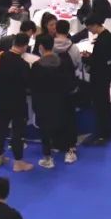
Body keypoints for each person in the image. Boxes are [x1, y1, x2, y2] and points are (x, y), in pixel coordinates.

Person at [31, 34, 74, 169]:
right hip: (61, 100)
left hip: (43, 102)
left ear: (40, 47)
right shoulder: (63, 62)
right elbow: (70, 82)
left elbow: (33, 86)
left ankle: (47, 158)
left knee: (44, 129)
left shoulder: (36, 66)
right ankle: (69, 152)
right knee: (65, 125)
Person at [0, 33, 34, 173]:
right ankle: (18, 162)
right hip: (18, 101)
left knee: (1, 127)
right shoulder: (23, 64)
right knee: (17, 131)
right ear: (25, 46)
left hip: (3, 99)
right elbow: (28, 84)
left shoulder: (2, 57)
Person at [81, 16, 111, 146]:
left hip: (100, 78)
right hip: (106, 76)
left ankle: (103, 134)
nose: (90, 31)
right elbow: (102, 58)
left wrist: (85, 58)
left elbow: (98, 62)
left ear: (95, 25)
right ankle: (105, 132)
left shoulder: (102, 41)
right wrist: (91, 56)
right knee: (105, 104)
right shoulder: (108, 37)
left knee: (101, 106)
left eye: (90, 28)